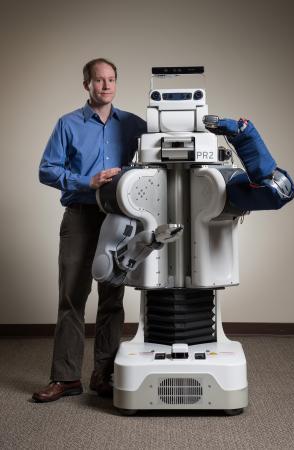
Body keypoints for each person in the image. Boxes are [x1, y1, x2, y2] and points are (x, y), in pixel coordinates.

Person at [33, 58, 146, 403]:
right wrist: (87, 181)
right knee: (72, 297)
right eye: (99, 80)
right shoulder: (67, 124)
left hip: (119, 218)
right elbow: (46, 170)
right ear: (87, 85)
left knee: (112, 298)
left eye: (111, 79)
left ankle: (104, 374)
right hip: (80, 215)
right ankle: (66, 378)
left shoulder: (134, 125)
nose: (106, 85)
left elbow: (150, 165)